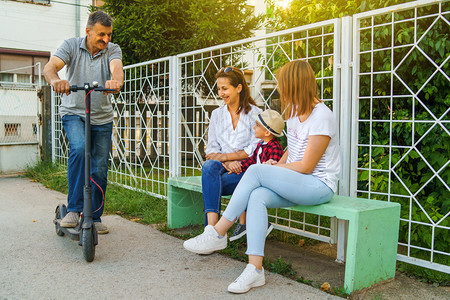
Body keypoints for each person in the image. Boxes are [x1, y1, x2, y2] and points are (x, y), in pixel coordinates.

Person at [183, 60, 340, 294]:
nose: (280, 89)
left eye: (282, 84)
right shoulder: (296, 113)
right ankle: (255, 270)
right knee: (257, 196)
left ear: (295, 85)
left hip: (318, 185)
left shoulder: (322, 116)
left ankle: (218, 232)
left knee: (255, 170)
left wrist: (271, 170)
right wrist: (277, 164)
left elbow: (307, 166)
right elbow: (293, 150)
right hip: (298, 182)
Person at [43, 11, 124, 235]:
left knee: (99, 166)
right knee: (79, 150)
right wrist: (56, 80)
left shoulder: (112, 49)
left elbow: (117, 68)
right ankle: (74, 209)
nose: (105, 39)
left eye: (108, 35)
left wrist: (115, 81)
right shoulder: (71, 46)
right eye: (101, 34)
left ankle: (95, 216)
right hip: (74, 112)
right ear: (88, 31)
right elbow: (50, 68)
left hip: (102, 117)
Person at [201, 66, 262, 227]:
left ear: (239, 88)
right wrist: (227, 163)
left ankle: (213, 231)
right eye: (219, 89)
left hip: (245, 170)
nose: (221, 93)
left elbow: (254, 150)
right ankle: (211, 228)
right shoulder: (217, 114)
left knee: (212, 182)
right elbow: (211, 150)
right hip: (222, 167)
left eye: (225, 88)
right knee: (209, 167)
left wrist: (227, 157)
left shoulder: (255, 114)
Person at [227, 109, 284, 242]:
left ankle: (246, 224)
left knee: (247, 191)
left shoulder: (275, 147)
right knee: (241, 188)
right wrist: (239, 167)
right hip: (256, 180)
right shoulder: (260, 145)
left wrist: (268, 164)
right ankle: (247, 224)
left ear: (267, 132)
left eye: (257, 125)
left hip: (267, 183)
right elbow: (251, 160)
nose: (254, 127)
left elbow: (275, 168)